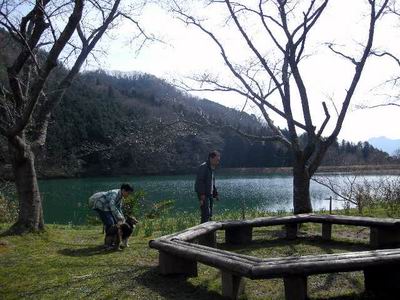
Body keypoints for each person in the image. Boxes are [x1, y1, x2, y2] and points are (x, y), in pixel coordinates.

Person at [195, 150, 221, 223]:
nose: (218, 162)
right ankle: (202, 232)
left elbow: (212, 183)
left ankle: (209, 233)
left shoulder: (211, 168)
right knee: (205, 214)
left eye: (218, 160)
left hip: (209, 194)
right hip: (204, 195)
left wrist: (215, 194)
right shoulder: (204, 167)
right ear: (211, 158)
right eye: (217, 160)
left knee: (209, 214)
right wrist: (201, 195)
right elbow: (199, 182)